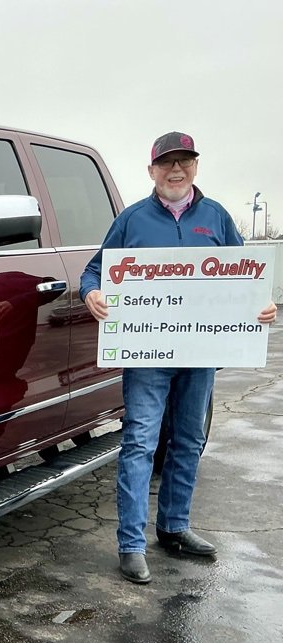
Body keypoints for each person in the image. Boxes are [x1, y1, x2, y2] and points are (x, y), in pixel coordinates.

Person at [80, 131, 277, 584]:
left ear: (195, 168)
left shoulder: (217, 218)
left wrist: (260, 306)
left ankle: (174, 527)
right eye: (167, 163)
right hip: (147, 353)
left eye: (184, 162)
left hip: (200, 352)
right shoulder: (131, 220)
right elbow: (95, 269)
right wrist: (91, 292)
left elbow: (244, 276)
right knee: (140, 443)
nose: (176, 170)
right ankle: (131, 544)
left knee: (189, 440)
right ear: (151, 171)